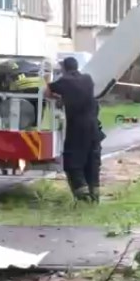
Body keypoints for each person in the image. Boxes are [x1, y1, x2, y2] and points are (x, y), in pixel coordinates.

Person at [46, 57, 104, 202]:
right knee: (92, 159)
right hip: (94, 126)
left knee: (73, 160)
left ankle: (82, 194)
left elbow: (46, 92)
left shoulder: (64, 81)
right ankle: (94, 192)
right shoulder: (88, 79)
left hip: (77, 126)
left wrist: (57, 96)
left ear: (64, 68)